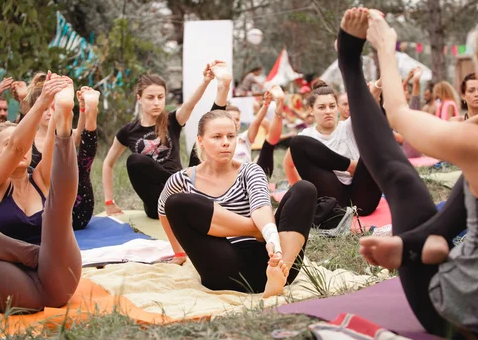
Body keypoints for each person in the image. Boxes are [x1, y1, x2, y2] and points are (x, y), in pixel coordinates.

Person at [340, 5, 478, 340]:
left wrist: (387, 49)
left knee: (402, 181)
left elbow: (398, 114)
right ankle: (419, 243)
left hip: (458, 319)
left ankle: (349, 65)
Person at [157, 109, 316, 298]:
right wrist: (179, 252)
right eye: (216, 137)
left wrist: (271, 238)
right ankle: (256, 232)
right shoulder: (181, 180)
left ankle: (280, 274)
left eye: (230, 136)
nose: (225, 142)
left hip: (271, 260)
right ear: (201, 141)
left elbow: (261, 206)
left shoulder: (250, 170)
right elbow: (163, 209)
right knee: (177, 202)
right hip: (224, 269)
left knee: (304, 189)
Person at [0, 72, 81, 313]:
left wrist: (59, 109)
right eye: (6, 145)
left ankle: (65, 119)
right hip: (15, 286)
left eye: (27, 143)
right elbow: (17, 148)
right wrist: (40, 104)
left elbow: (55, 152)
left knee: (56, 208)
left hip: (59, 277)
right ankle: (31, 254)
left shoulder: (39, 178)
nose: (21, 148)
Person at [103, 67, 214, 219]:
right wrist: (109, 202)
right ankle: (186, 188)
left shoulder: (172, 121)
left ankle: (186, 187)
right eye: (150, 98)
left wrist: (206, 81)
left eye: (160, 97)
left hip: (179, 194)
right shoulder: (129, 131)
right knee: (135, 160)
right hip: (155, 204)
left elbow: (190, 104)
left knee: (200, 145)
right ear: (139, 98)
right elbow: (108, 163)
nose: (156, 102)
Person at [284, 80, 382, 216]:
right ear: (311, 110)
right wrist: (301, 190)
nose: (328, 111)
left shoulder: (349, 125)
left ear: (337, 107)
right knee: (297, 142)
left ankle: (353, 167)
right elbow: (288, 164)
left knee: (374, 141)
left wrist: (378, 84)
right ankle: (350, 166)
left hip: (364, 200)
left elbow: (367, 107)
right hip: (335, 203)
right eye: (322, 107)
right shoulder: (307, 136)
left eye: (332, 106)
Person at [23, 78, 100, 230]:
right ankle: (92, 113)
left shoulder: (65, 132)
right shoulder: (27, 140)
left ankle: (92, 112)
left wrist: (84, 108)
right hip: (46, 211)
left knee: (80, 166)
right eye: (45, 108)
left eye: (54, 108)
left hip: (78, 208)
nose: (50, 113)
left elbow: (78, 138)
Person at [225, 88, 284, 178]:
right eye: (230, 118)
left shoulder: (243, 137)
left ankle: (279, 107)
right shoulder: (219, 141)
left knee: (267, 148)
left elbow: (256, 122)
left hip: (249, 177)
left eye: (237, 119)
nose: (234, 122)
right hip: (230, 179)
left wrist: (266, 104)